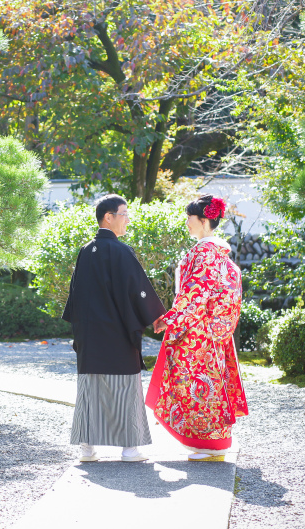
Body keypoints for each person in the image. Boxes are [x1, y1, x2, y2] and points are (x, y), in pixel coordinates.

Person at [62, 194, 166, 462]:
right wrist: (155, 316)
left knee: (90, 389)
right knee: (124, 388)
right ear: (108, 217)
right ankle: (129, 449)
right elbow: (137, 291)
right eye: (124, 214)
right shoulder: (121, 251)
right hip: (117, 332)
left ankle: (87, 448)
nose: (127, 220)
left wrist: (81, 331)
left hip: (89, 334)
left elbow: (74, 296)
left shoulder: (85, 251)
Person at [146, 194, 248, 461]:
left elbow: (195, 293)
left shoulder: (203, 252)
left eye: (190, 218)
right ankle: (214, 443)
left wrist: (169, 319)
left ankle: (206, 444)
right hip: (214, 332)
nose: (187, 223)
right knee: (210, 383)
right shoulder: (221, 254)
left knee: (194, 383)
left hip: (198, 331)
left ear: (203, 221)